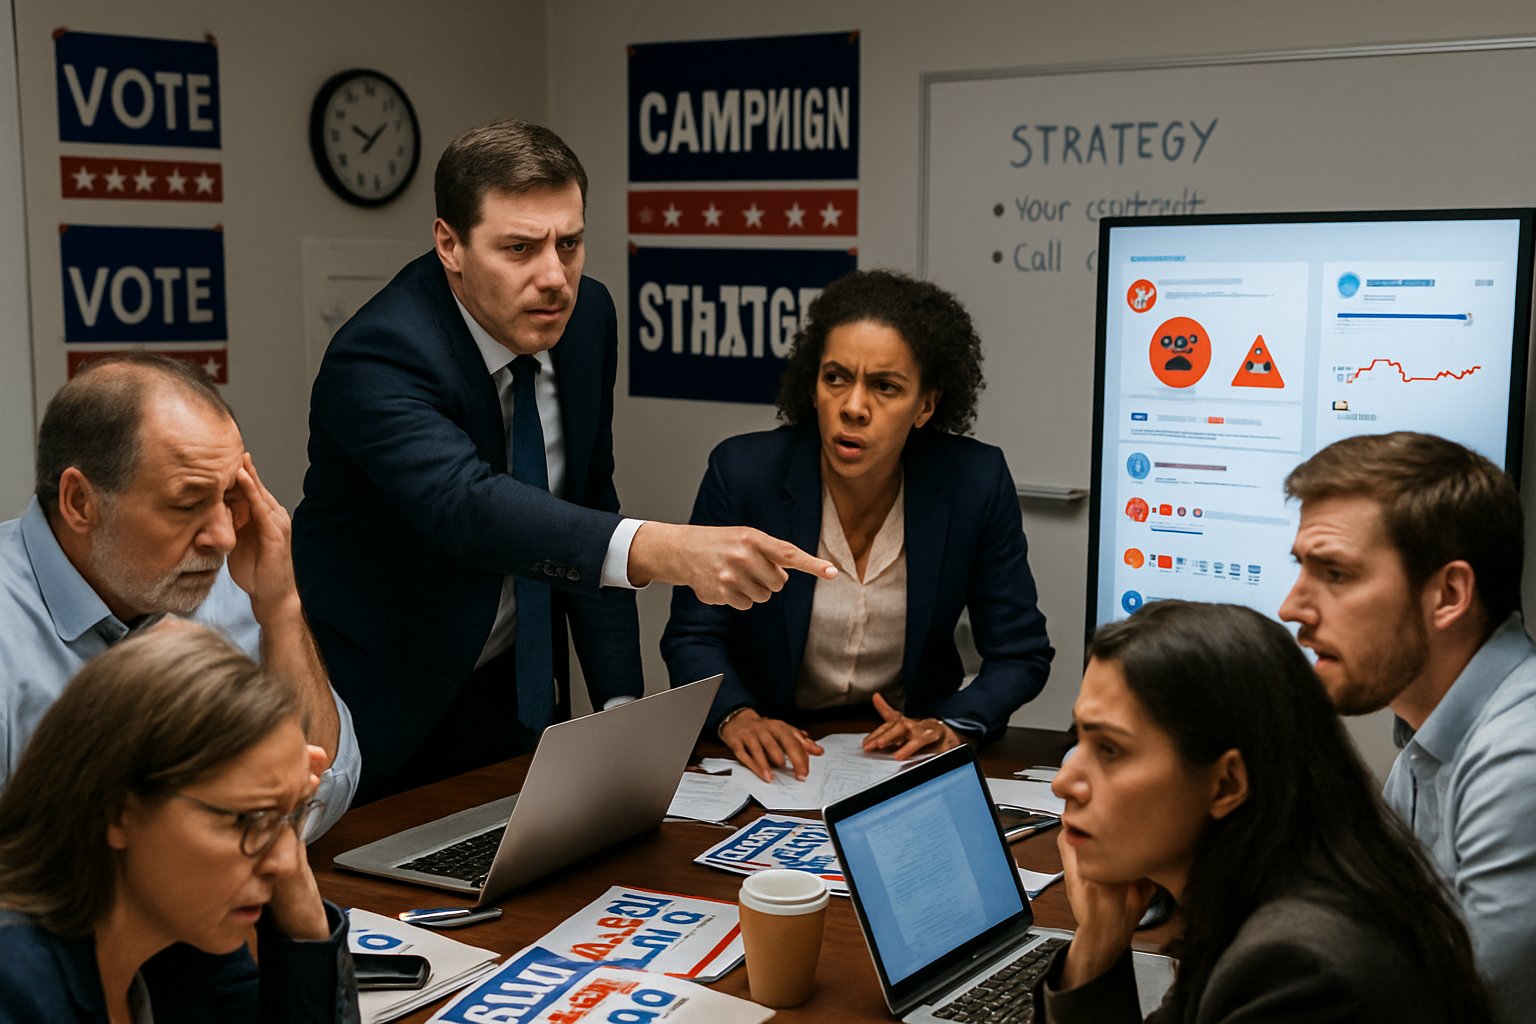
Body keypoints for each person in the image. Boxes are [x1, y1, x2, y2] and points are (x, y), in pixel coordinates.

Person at [294, 119, 832, 800]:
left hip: (512, 692)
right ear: (449, 244)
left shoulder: (586, 320)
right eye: (519, 248)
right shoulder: (377, 354)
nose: (555, 278)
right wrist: (668, 549)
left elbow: (584, 500)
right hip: (375, 706)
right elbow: (470, 507)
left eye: (569, 243)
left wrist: (617, 710)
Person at [662, 269, 1053, 782]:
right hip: (776, 754)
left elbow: (1021, 653)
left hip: (905, 757)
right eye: (836, 378)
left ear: (926, 406)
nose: (853, 407)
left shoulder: (973, 482)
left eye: (885, 387)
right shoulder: (744, 475)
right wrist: (737, 716)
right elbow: (694, 635)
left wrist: (950, 724)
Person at [1037, 600, 1492, 1022]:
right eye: (1080, 738)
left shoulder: (1294, 966)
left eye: (1111, 749)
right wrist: (1097, 944)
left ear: (1227, 784)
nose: (1064, 782)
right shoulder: (1256, 897)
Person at [0, 354, 358, 836]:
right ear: (80, 502)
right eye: (187, 504)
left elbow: (323, 788)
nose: (224, 537)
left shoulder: (221, 579)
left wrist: (280, 610)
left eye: (230, 498)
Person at [1279, 431, 1536, 1022]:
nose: (1291, 607)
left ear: (1448, 594)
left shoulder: (1519, 759)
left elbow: (1457, 1009)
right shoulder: (1429, 746)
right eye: (1301, 569)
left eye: (1336, 574)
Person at [0, 621, 359, 1023]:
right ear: (116, 810)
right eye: (246, 819)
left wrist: (304, 917)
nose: (284, 862)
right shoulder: (15, 986)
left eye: (291, 816)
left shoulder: (187, 941)